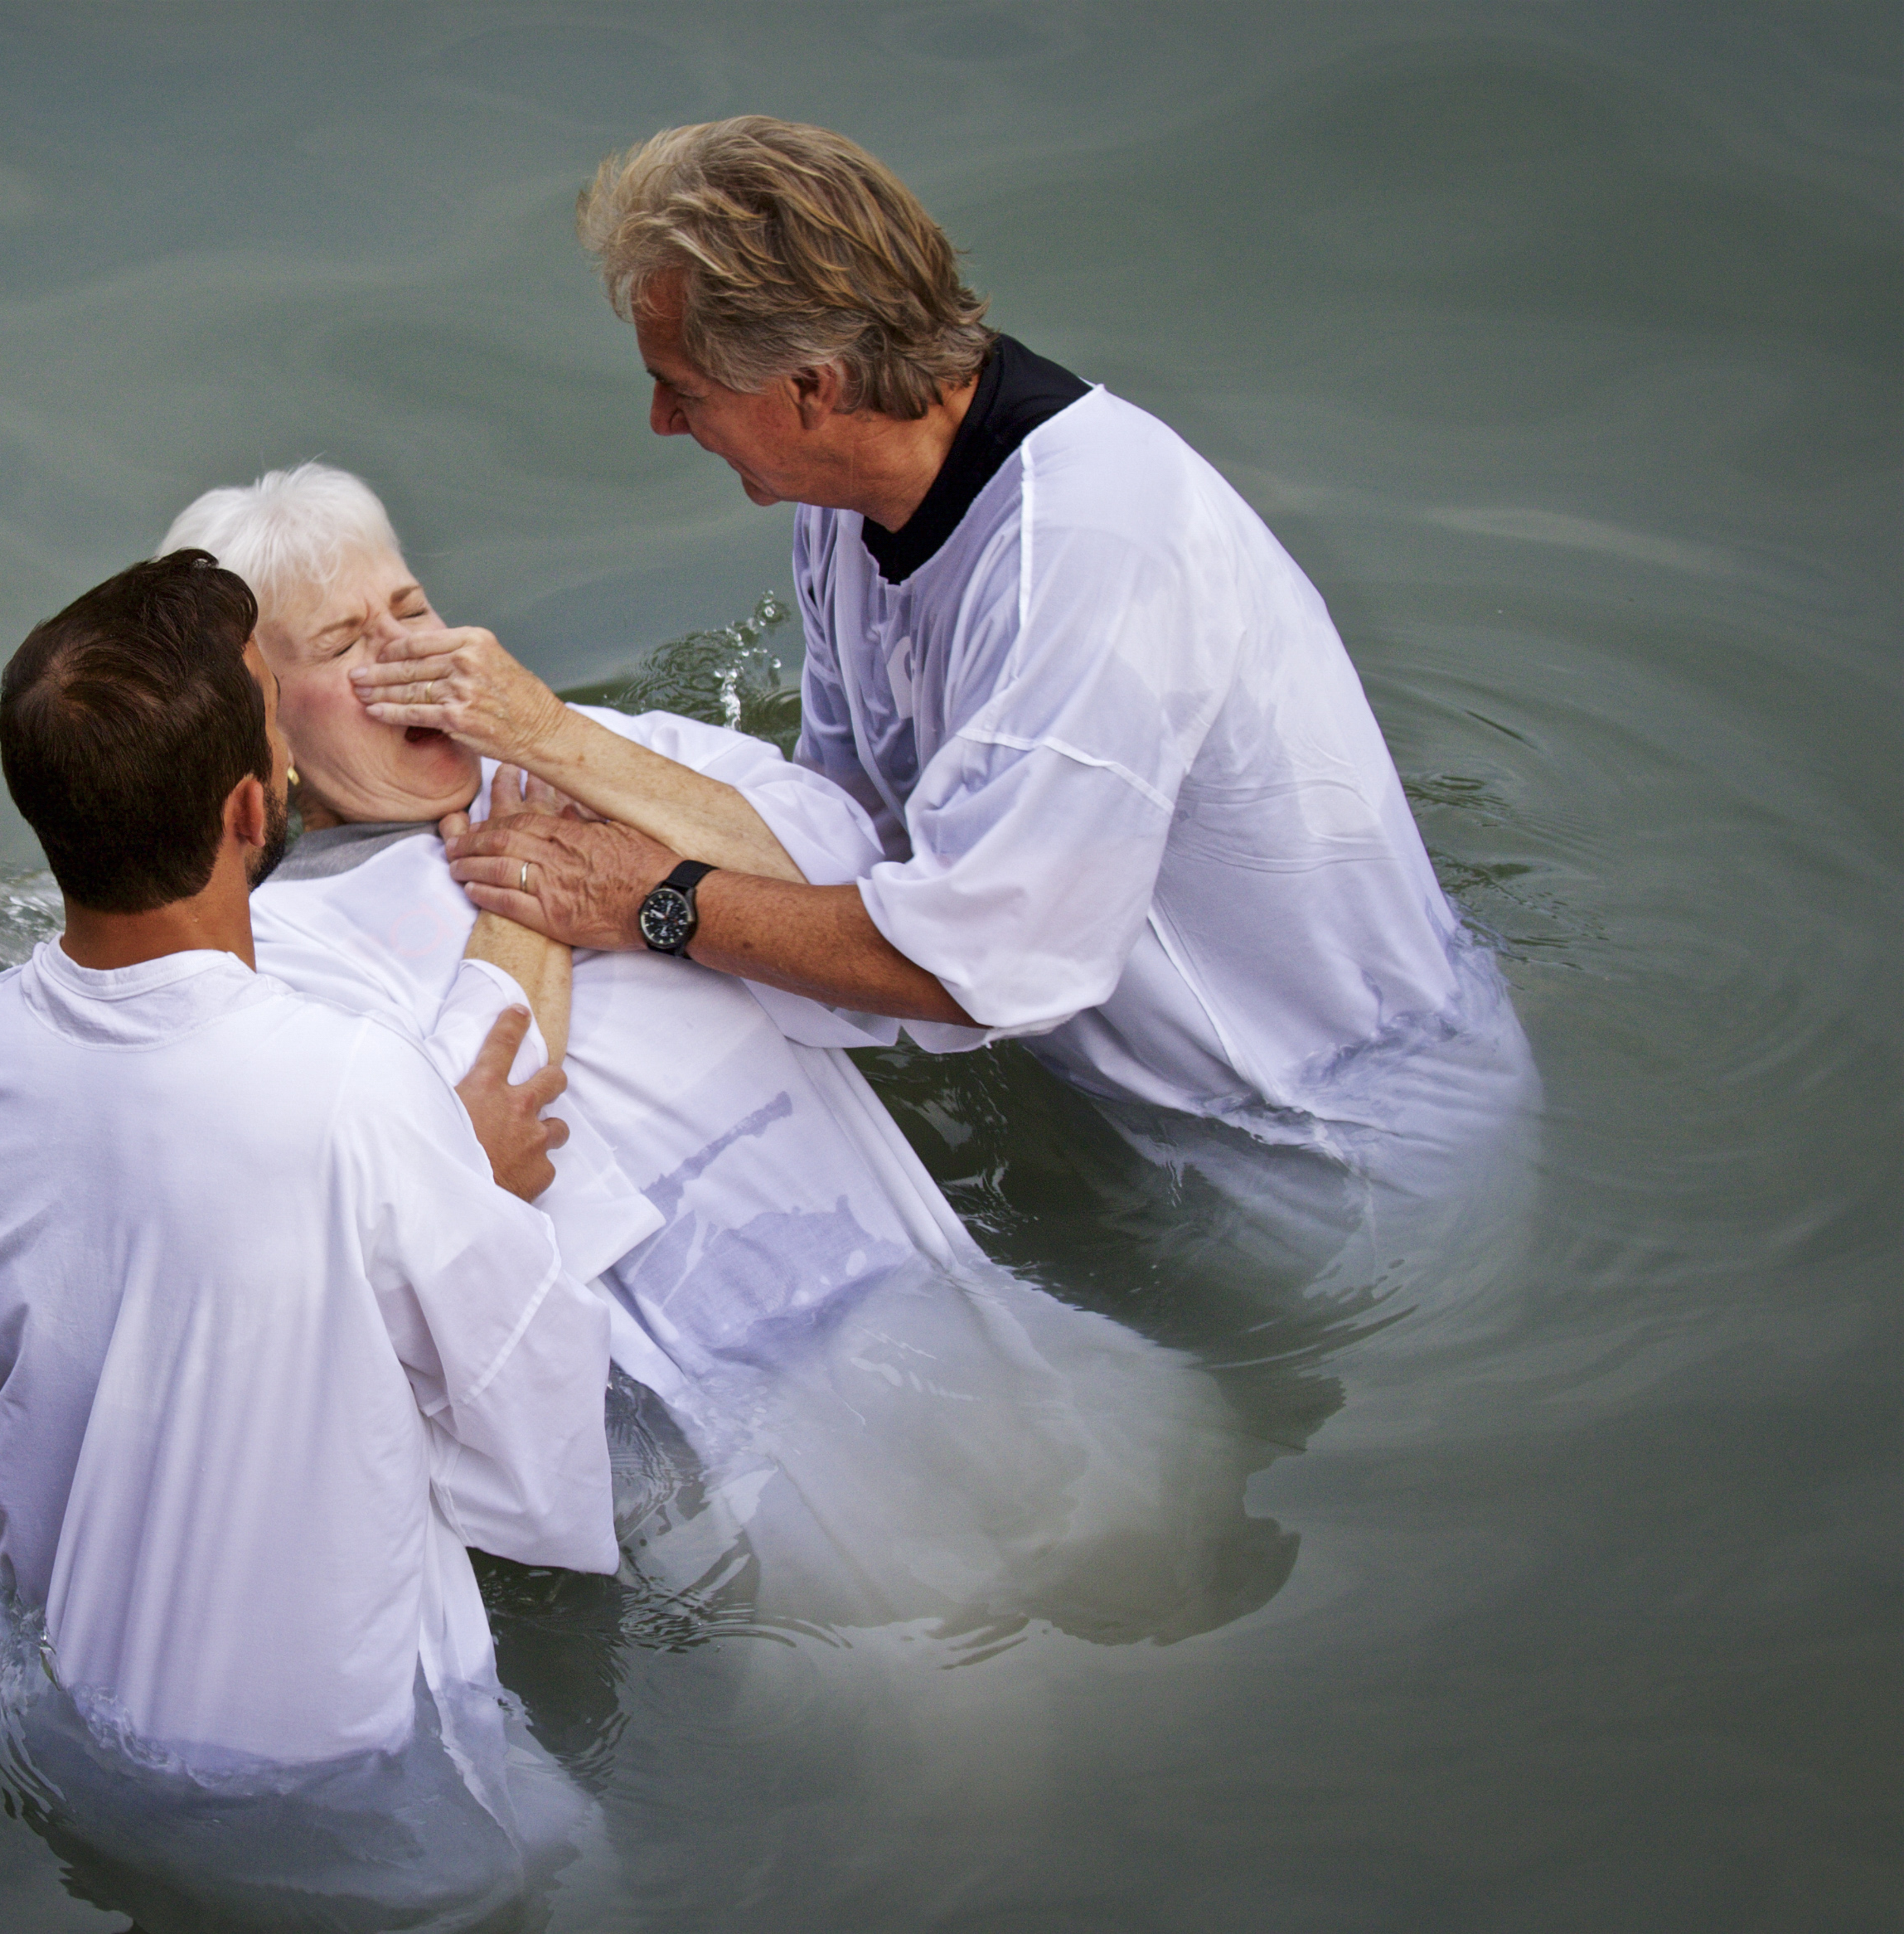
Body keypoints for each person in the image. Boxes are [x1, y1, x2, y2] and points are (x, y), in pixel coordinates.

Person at [161, 464, 1290, 1647]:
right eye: (345, 642)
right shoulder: (279, 953)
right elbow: (470, 1161)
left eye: (411, 608)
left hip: (939, 1293)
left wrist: (557, 749)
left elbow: (866, 910)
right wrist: (543, 887)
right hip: (732, 1430)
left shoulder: (606, 755)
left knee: (1195, 1518)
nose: (409, 657)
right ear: (265, 725)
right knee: (959, 1709)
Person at [366, 117, 1533, 1253]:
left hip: (1344, 1153)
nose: (663, 420)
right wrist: (566, 756)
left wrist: (650, 898)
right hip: (1141, 1112)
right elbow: (847, 842)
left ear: (813, 390)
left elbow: (982, 970)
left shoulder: (1085, 554)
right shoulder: (844, 510)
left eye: (684, 388)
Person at [0, 551, 613, 1930]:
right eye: (276, 729)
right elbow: (530, 1413)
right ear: (251, 804)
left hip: (48, 1701)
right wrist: (466, 1175)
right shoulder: (346, 1084)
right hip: (345, 1777)